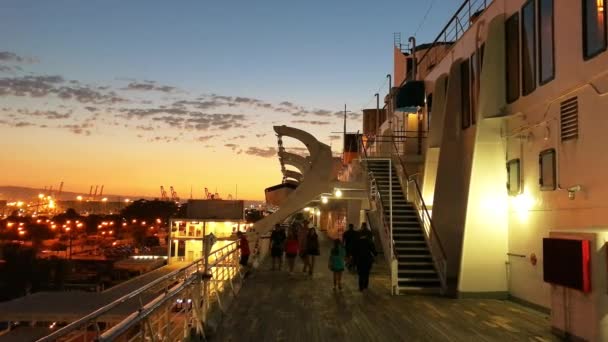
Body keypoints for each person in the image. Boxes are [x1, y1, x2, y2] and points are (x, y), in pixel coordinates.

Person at [353, 224, 377, 291]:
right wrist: (375, 255)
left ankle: (361, 287)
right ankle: (366, 286)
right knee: (366, 273)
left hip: (359, 260)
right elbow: (374, 252)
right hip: (368, 259)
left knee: (360, 273)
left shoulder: (357, 242)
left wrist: (354, 260)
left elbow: (354, 251)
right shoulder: (370, 242)